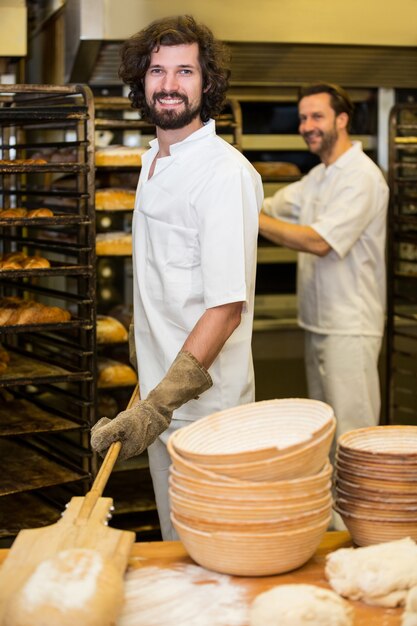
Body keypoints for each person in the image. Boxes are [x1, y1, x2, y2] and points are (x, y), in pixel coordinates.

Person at [91, 15, 263, 539]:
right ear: (140, 81)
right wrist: (147, 394)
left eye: (184, 71)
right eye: (157, 70)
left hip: (206, 416)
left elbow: (225, 307)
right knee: (177, 545)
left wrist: (158, 406)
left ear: (206, 82)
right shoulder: (152, 163)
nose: (168, 85)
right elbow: (162, 298)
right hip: (161, 406)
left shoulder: (222, 172)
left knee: (217, 557)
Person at [259, 82, 389, 453]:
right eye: (302, 118)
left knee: (354, 438)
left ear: (342, 119)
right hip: (317, 322)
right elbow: (271, 206)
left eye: (317, 116)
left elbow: (319, 242)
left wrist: (250, 219)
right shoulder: (318, 178)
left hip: (350, 326)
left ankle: (362, 511)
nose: (307, 125)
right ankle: (334, 513)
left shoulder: (361, 176)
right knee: (327, 437)